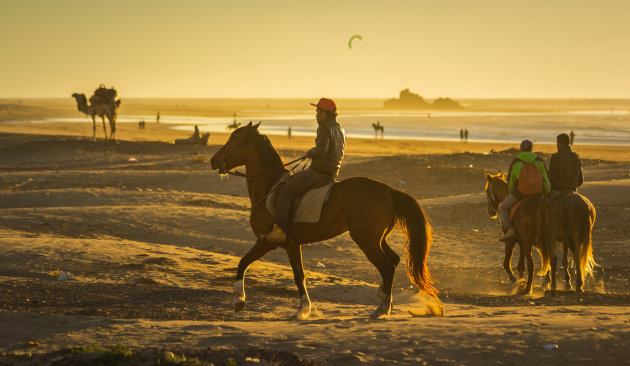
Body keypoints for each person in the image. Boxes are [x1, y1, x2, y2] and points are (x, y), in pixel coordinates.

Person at [265, 98, 346, 242]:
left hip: (319, 172)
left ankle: (281, 231)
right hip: (333, 172)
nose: (315, 114)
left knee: (286, 190)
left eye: (317, 111)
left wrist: (311, 152)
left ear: (325, 113)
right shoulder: (338, 127)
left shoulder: (323, 127)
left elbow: (322, 149)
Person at [498, 139, 551, 241]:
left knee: (503, 208)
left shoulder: (516, 162)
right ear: (531, 149)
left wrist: (511, 192)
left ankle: (509, 230)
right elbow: (546, 179)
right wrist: (547, 192)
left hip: (520, 193)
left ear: (520, 149)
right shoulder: (539, 161)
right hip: (537, 194)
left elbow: (511, 182)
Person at [549, 133, 583, 201]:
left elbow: (551, 177)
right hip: (573, 189)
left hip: (558, 190)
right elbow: (580, 180)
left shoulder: (555, 157)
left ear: (560, 143)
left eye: (557, 142)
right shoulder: (576, 157)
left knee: (546, 206)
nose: (557, 145)